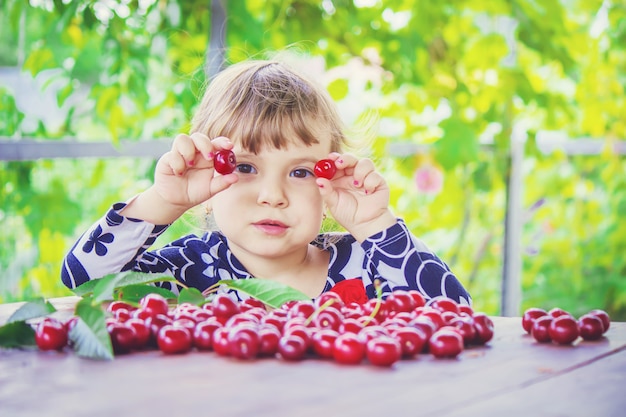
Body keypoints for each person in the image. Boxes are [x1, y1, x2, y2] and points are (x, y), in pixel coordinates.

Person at [61, 57, 471, 306]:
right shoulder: (185, 271)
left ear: (328, 187)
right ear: (205, 187)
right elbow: (84, 280)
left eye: (300, 172)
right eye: (245, 167)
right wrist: (164, 202)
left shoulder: (365, 267)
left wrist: (373, 226)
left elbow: (455, 311)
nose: (273, 196)